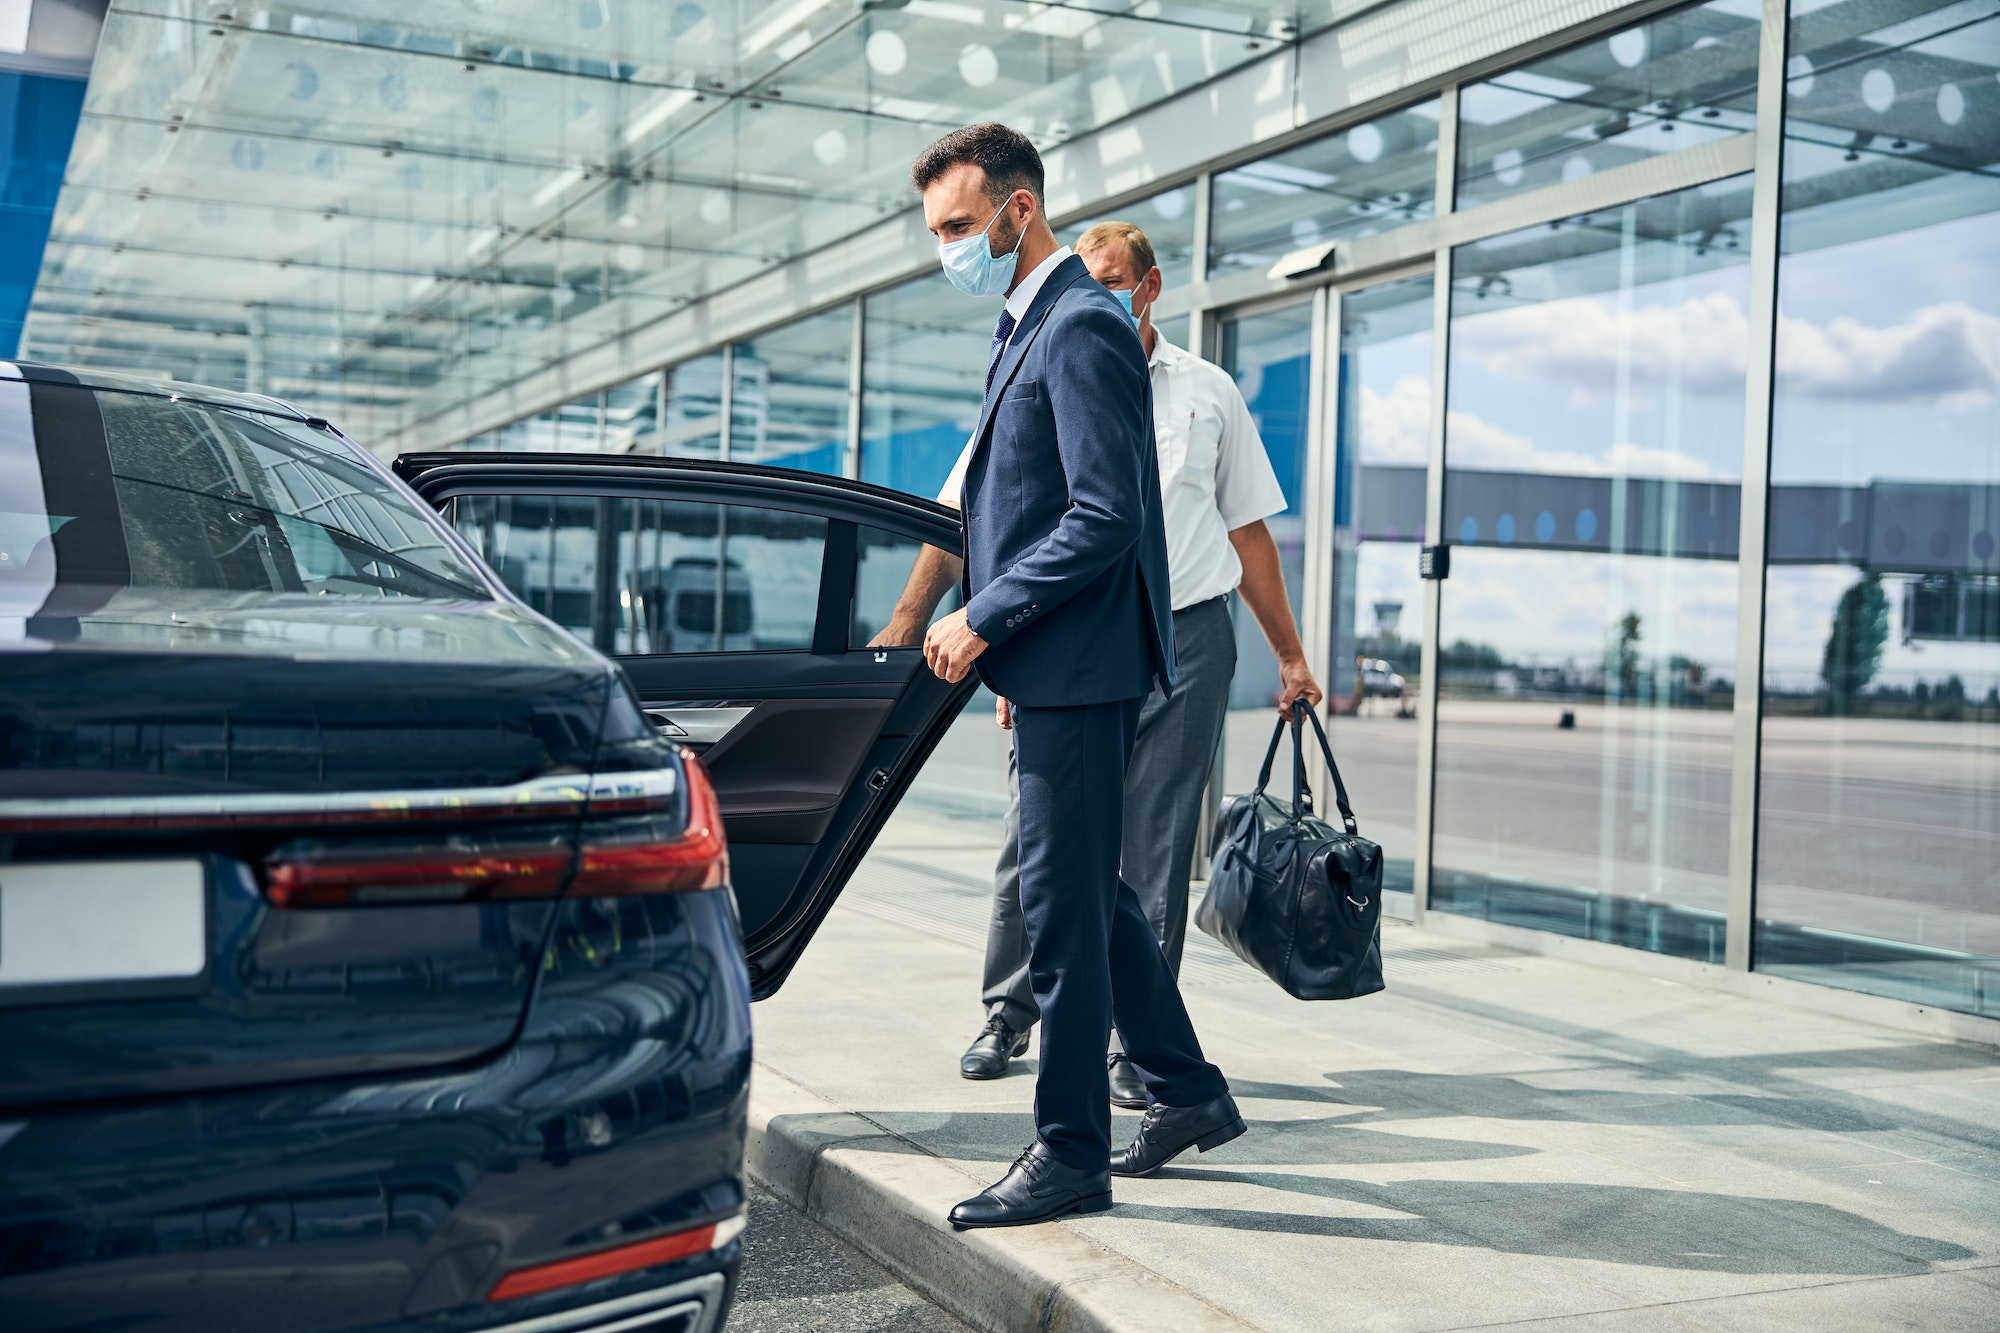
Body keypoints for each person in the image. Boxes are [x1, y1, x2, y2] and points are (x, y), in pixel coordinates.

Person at [872, 221, 1323, 1108]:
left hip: (1185, 635)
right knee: (1044, 850)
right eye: (1089, 273)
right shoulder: (1042, 348)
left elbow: (1245, 532)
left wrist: (1292, 654)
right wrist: (922, 619)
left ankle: (1134, 1061)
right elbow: (968, 511)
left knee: (1146, 849)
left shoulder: (1206, 392)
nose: (1096, 286)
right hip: (1062, 635)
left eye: (1113, 277)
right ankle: (1015, 1010)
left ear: (1149, 287)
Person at [905, 123, 1242, 1229]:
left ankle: (1068, 1152)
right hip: (1053, 662)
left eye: (959, 226)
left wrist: (983, 616)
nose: (947, 247)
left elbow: (1103, 514)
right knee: (1088, 892)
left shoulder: (1082, 322)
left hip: (1083, 664)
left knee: (1056, 906)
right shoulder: (1029, 326)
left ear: (1018, 210)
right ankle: (1186, 1091)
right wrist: (1009, 643)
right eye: (936, 231)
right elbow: (1026, 508)